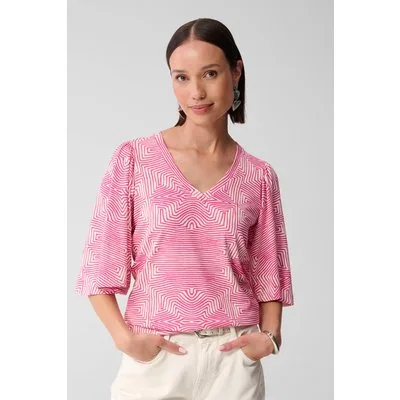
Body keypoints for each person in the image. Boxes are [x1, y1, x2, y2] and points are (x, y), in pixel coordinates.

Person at [75, 17, 294, 400]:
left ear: (236, 72)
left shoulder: (258, 175)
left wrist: (270, 336)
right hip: (158, 358)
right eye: (182, 77)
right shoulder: (135, 159)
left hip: (233, 360)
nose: (196, 92)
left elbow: (269, 270)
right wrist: (125, 339)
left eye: (210, 73)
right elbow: (100, 265)